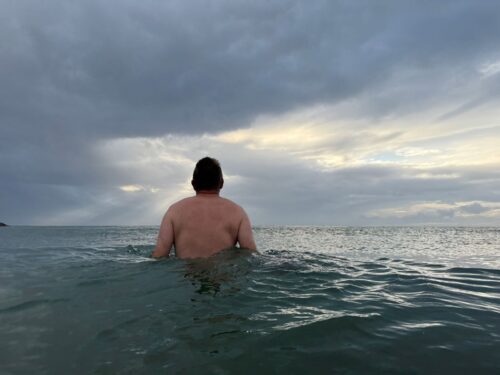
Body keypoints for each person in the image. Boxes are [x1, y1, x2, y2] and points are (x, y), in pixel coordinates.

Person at [152, 157, 257, 259]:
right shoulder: (237, 213)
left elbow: (160, 255)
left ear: (193, 184)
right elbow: (250, 254)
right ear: (221, 183)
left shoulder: (174, 211)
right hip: (221, 275)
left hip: (187, 275)